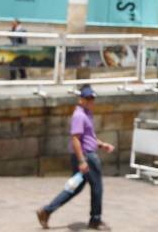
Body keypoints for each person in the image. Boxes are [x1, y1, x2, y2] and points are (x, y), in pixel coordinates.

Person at [36, 85, 115, 230]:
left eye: (93, 98)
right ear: (81, 99)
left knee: (75, 188)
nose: (91, 101)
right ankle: (95, 220)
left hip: (86, 154)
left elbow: (89, 137)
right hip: (87, 156)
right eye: (88, 98)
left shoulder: (87, 113)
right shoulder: (79, 115)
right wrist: (82, 161)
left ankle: (46, 211)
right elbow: (76, 139)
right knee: (97, 187)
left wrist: (102, 145)